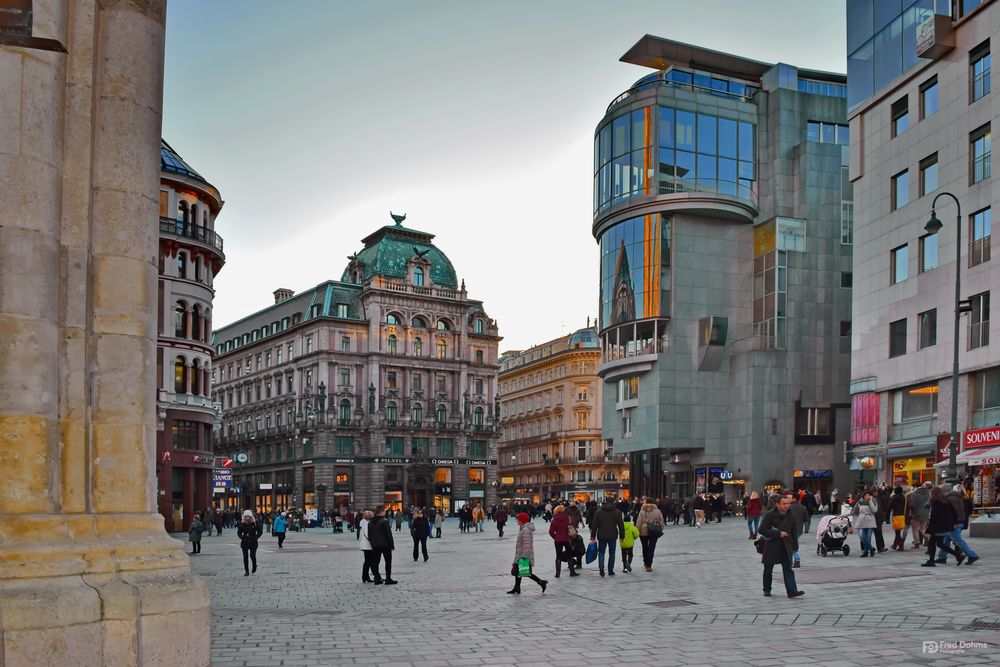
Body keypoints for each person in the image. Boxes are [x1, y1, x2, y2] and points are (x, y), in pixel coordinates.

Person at [758, 495, 804, 598]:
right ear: (777, 504)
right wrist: (778, 533)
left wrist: (795, 547)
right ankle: (767, 589)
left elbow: (794, 531)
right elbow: (761, 530)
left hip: (786, 545)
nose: (786, 506)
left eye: (788, 503)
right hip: (771, 546)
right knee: (768, 569)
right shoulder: (769, 515)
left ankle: (792, 591)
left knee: (788, 568)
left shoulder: (791, 515)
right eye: (784, 504)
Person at [935, 484, 979, 565]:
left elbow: (951, 512)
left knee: (958, 540)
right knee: (946, 540)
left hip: (954, 523)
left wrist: (952, 522)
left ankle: (972, 555)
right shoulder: (957, 497)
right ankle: (942, 557)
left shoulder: (949, 498)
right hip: (958, 521)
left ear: (945, 492)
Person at [922, 485, 965, 567]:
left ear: (933, 494)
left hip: (936, 526)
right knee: (934, 542)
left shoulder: (935, 501)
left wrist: (930, 526)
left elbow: (934, 515)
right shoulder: (946, 500)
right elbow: (954, 512)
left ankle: (958, 555)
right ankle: (931, 561)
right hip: (943, 525)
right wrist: (954, 522)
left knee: (938, 543)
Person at [508, 513, 547, 595]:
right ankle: (517, 587)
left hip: (523, 554)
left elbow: (527, 544)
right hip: (521, 553)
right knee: (518, 571)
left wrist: (523, 556)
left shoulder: (525, 529)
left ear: (522, 520)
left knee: (525, 572)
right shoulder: (523, 528)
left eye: (518, 519)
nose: (516, 521)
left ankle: (541, 582)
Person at [590, 499, 625, 577]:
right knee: (612, 553)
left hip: (601, 535)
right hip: (613, 535)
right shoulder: (617, 512)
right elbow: (621, 525)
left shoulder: (598, 512)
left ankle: (601, 567)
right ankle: (610, 570)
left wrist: (593, 536)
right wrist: (622, 536)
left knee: (601, 552)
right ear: (613, 502)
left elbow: (594, 525)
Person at [368, 506, 397, 585]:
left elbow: (369, 535)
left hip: (375, 545)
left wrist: (372, 543)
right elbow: (388, 534)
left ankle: (377, 578)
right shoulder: (384, 521)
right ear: (381, 512)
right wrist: (392, 544)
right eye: (384, 511)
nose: (385, 512)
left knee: (375, 562)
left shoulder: (370, 522)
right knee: (388, 561)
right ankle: (388, 578)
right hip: (385, 545)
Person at [548, 505, 578, 578]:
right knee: (569, 555)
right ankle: (572, 572)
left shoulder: (554, 520)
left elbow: (551, 532)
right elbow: (572, 527)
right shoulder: (568, 518)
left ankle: (557, 574)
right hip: (567, 539)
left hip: (558, 540)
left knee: (558, 556)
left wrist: (555, 537)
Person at [634, 500, 664, 572]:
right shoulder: (657, 511)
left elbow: (638, 522)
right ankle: (649, 565)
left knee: (645, 547)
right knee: (651, 548)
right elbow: (661, 521)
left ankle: (645, 562)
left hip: (643, 532)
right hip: (654, 532)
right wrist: (661, 528)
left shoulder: (642, 511)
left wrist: (637, 530)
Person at [852, 490, 878, 557]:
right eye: (866, 495)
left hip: (870, 520)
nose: (867, 496)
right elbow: (854, 510)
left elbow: (874, 510)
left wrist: (870, 501)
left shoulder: (874, 501)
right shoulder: (860, 501)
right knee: (861, 536)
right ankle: (871, 548)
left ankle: (865, 552)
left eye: (869, 495)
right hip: (861, 520)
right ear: (863, 496)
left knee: (868, 537)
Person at [237, 510, 263, 576]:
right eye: (246, 516)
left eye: (248, 516)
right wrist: (242, 537)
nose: (247, 518)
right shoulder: (242, 523)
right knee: (245, 557)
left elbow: (260, 531)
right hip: (245, 542)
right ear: (244, 517)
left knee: (252, 555)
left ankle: (254, 566)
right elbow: (239, 532)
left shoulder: (255, 523)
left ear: (251, 516)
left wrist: (256, 537)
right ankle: (246, 571)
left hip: (253, 542)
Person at [906, 482, 931, 549]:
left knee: (915, 529)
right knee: (923, 528)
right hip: (926, 514)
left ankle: (917, 543)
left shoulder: (914, 494)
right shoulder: (928, 494)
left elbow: (912, 505)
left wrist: (912, 513)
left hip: (916, 514)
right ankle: (927, 538)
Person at [787, 493, 808, 568]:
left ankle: (796, 560)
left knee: (791, 545)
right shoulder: (803, 507)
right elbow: (806, 519)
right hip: (799, 529)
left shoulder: (788, 507)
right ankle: (795, 560)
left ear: (794, 499)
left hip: (789, 529)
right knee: (793, 544)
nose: (789, 499)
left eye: (790, 498)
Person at [889, 486, 908, 551]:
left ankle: (901, 546)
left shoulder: (893, 497)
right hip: (902, 515)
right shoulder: (904, 497)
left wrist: (886, 514)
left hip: (896, 515)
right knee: (898, 531)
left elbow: (890, 506)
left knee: (897, 532)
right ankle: (895, 545)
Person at [359, 510, 374, 583]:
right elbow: (368, 534)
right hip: (367, 545)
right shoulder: (367, 524)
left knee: (367, 561)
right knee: (368, 561)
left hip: (364, 544)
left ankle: (365, 576)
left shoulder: (363, 523)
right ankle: (365, 576)